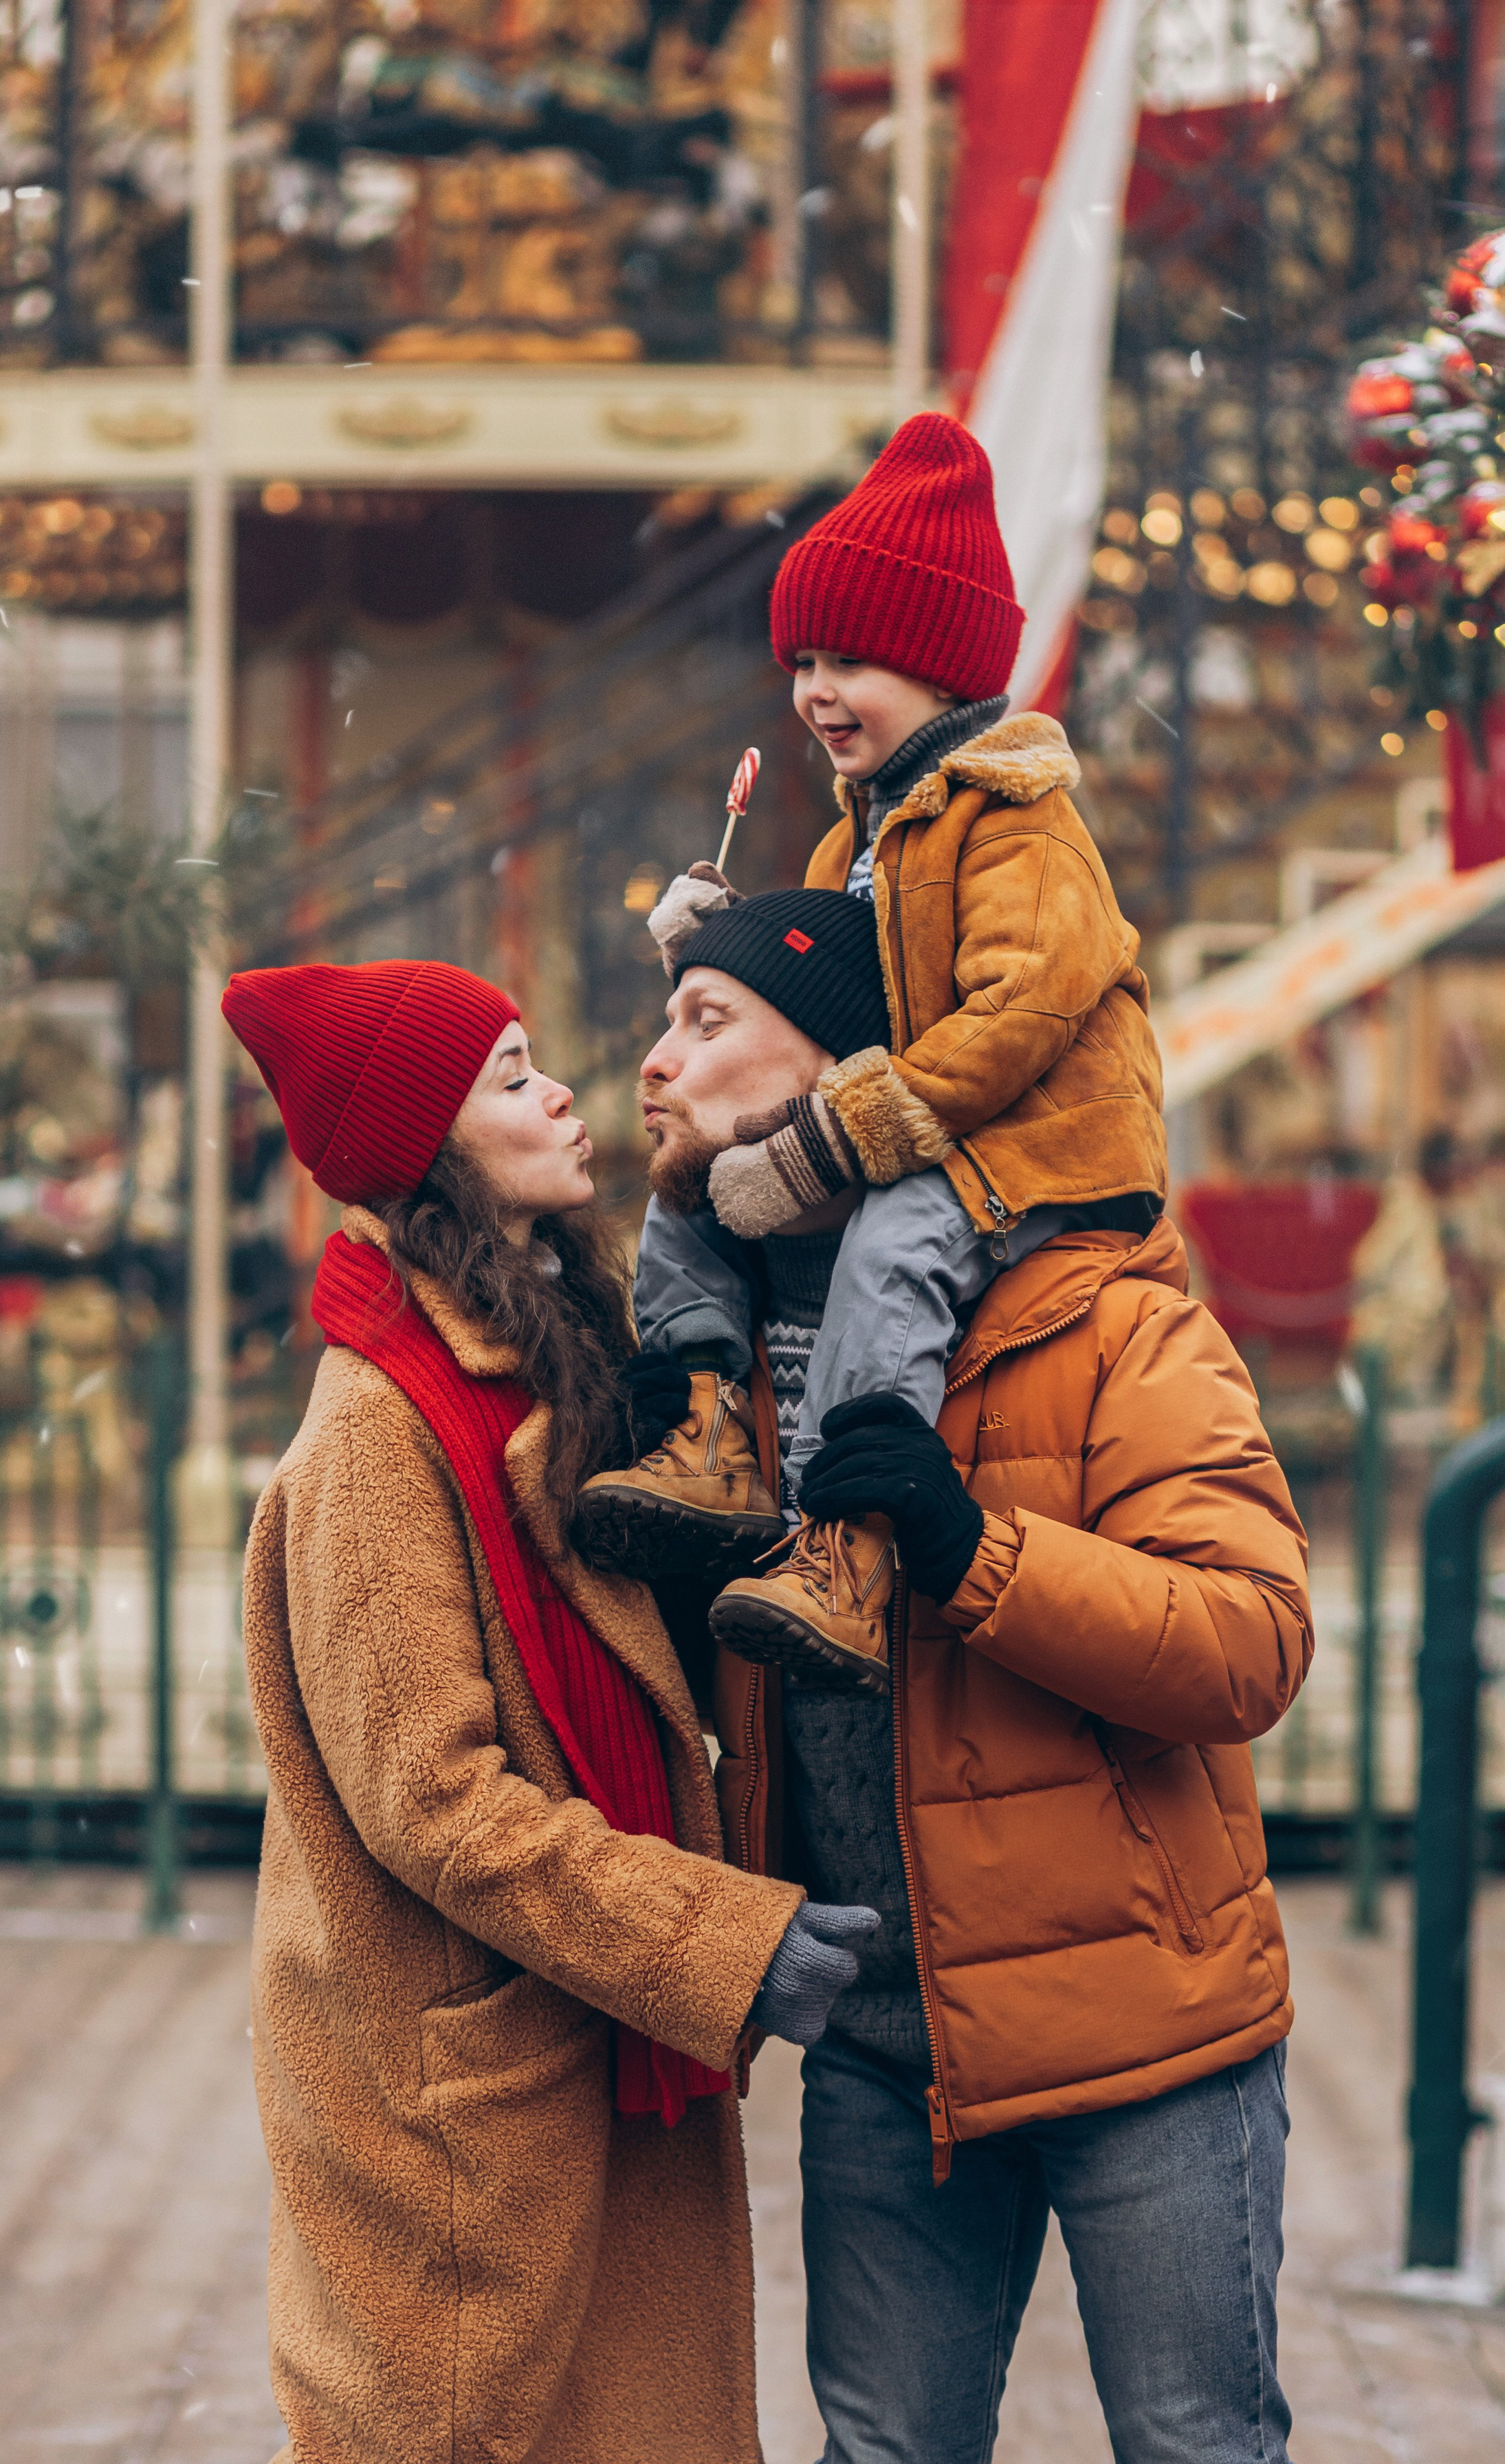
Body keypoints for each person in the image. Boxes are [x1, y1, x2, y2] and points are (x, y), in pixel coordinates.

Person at [576, 917, 1313, 2463]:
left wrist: (970, 1547)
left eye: (708, 1017)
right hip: (880, 2042)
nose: (656, 1059)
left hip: (1147, 2040)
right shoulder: (690, 1372)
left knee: (1194, 2446)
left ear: (844, 1066)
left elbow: (1249, 1641)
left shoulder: (1098, 1313)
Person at [221, 955, 879, 2464]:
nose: (561, 1088)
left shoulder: (550, 1373)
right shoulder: (380, 1432)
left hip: (578, 2069)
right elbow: (437, 1806)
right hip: (470, 2131)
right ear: (434, 1147)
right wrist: (722, 1937)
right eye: (510, 1075)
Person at [581, 411, 1167, 1690]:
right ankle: (704, 1421)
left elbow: (1016, 1019)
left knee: (897, 1245)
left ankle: (848, 1538)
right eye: (801, 661)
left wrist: (848, 1132)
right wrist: (727, 945)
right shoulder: (858, 835)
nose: (815, 692)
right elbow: (835, 997)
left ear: (943, 668)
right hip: (926, 1123)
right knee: (696, 1171)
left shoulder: (1019, 825)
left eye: (852, 659)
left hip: (1037, 1145)